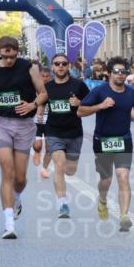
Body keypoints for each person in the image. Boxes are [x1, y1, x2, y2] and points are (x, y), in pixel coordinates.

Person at [77, 57, 134, 233]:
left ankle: (124, 216)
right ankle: (102, 199)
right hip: (103, 140)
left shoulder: (132, 93)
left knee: (123, 176)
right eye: (116, 71)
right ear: (109, 73)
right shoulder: (100, 91)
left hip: (124, 139)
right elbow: (80, 111)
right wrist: (100, 106)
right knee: (106, 179)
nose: (120, 75)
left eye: (123, 71)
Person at [0, 36, 47, 238]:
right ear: (0, 51)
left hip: (24, 126)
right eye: (5, 56)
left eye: (13, 56)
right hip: (0, 125)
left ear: (17, 52)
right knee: (6, 172)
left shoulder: (28, 67)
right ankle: (9, 225)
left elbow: (43, 93)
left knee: (20, 177)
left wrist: (33, 105)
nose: (9, 60)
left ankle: (17, 197)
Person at [42, 54, 90, 218]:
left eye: (63, 63)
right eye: (57, 64)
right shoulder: (46, 87)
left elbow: (91, 106)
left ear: (68, 66)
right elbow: (38, 105)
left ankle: (63, 196)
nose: (60, 66)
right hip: (54, 131)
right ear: (52, 66)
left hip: (74, 133)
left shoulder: (79, 85)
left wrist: (80, 104)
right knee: (59, 165)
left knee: (70, 170)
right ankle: (62, 203)